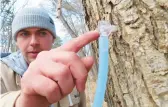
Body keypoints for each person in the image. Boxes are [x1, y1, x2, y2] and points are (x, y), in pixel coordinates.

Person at [0, 7, 99, 107]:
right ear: (16, 41)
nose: (34, 42)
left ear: (53, 39)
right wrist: (22, 102)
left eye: (42, 33)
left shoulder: (69, 68)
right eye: (24, 34)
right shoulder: (2, 72)